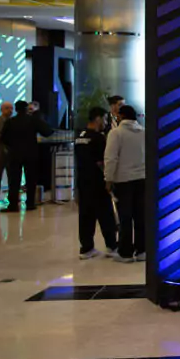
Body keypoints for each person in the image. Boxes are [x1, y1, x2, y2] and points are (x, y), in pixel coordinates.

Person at [75, 107, 118, 260]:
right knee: (105, 214)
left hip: (83, 181)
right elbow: (102, 161)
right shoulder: (99, 138)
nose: (105, 122)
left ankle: (86, 248)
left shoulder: (79, 136)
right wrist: (109, 179)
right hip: (97, 182)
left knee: (86, 215)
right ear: (98, 118)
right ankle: (112, 246)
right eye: (105, 119)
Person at [105, 105, 146, 263]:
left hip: (123, 181)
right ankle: (142, 250)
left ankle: (125, 252)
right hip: (142, 179)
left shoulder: (116, 133)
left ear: (121, 116)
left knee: (125, 216)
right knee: (140, 215)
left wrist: (108, 179)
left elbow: (111, 158)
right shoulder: (143, 132)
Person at [1, 100, 53, 212]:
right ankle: (30, 203)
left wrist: (12, 145)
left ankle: (13, 205)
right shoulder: (33, 120)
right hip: (31, 153)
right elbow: (48, 132)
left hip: (14, 153)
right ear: (26, 109)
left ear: (16, 109)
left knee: (14, 180)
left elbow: (3, 138)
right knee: (31, 179)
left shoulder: (10, 122)